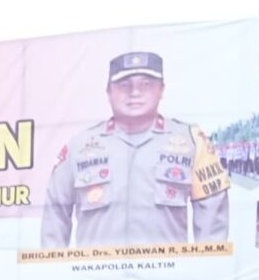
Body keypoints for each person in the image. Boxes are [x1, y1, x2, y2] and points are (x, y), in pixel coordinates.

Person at [40, 52, 231, 248]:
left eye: (146, 84)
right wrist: (56, 274)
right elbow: (54, 218)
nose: (135, 92)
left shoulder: (191, 141)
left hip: (169, 277)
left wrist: (206, 275)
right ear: (108, 92)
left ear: (161, 89)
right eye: (124, 85)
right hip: (96, 277)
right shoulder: (78, 147)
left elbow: (212, 221)